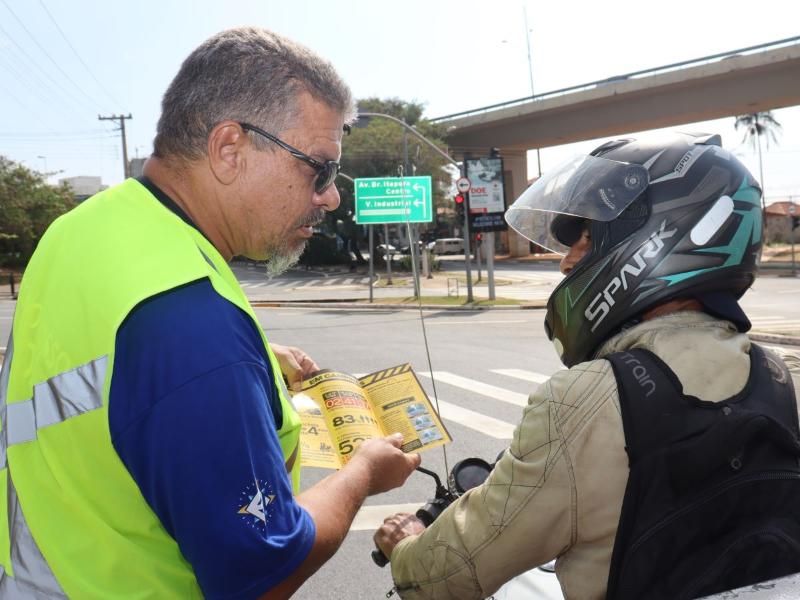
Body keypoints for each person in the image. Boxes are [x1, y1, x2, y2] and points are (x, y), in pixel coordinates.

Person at [0, 27, 420, 598]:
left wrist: (255, 368)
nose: (331, 196)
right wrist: (364, 472)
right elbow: (261, 577)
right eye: (319, 168)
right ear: (229, 150)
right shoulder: (192, 326)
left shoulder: (81, 228)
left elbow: (99, 369)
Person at [375, 132, 800, 599]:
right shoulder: (778, 375)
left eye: (587, 238)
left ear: (654, 238)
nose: (567, 263)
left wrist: (406, 543)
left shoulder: (584, 398)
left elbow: (448, 575)